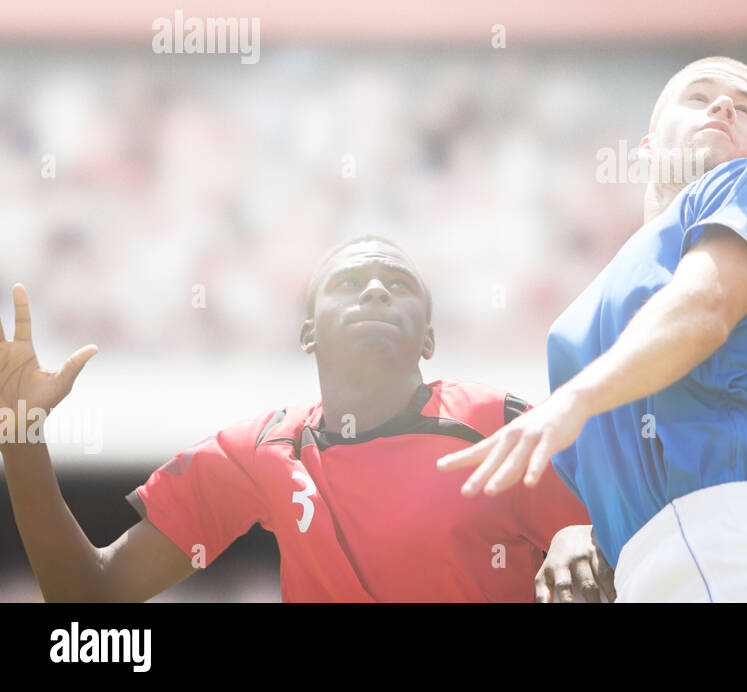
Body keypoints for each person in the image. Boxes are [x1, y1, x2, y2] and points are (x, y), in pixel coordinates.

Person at [439, 57, 747, 602]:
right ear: (649, 145)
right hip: (644, 573)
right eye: (699, 97)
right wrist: (579, 535)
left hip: (736, 547)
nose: (724, 105)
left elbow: (705, 308)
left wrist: (575, 400)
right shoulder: (575, 326)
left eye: (745, 109)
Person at [0, 235, 592, 601]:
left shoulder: (504, 426)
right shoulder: (259, 451)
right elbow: (90, 596)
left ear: (430, 338)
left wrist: (579, 534)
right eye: (349, 282)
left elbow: (631, 548)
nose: (377, 291)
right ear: (308, 332)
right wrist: (20, 438)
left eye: (400, 284)